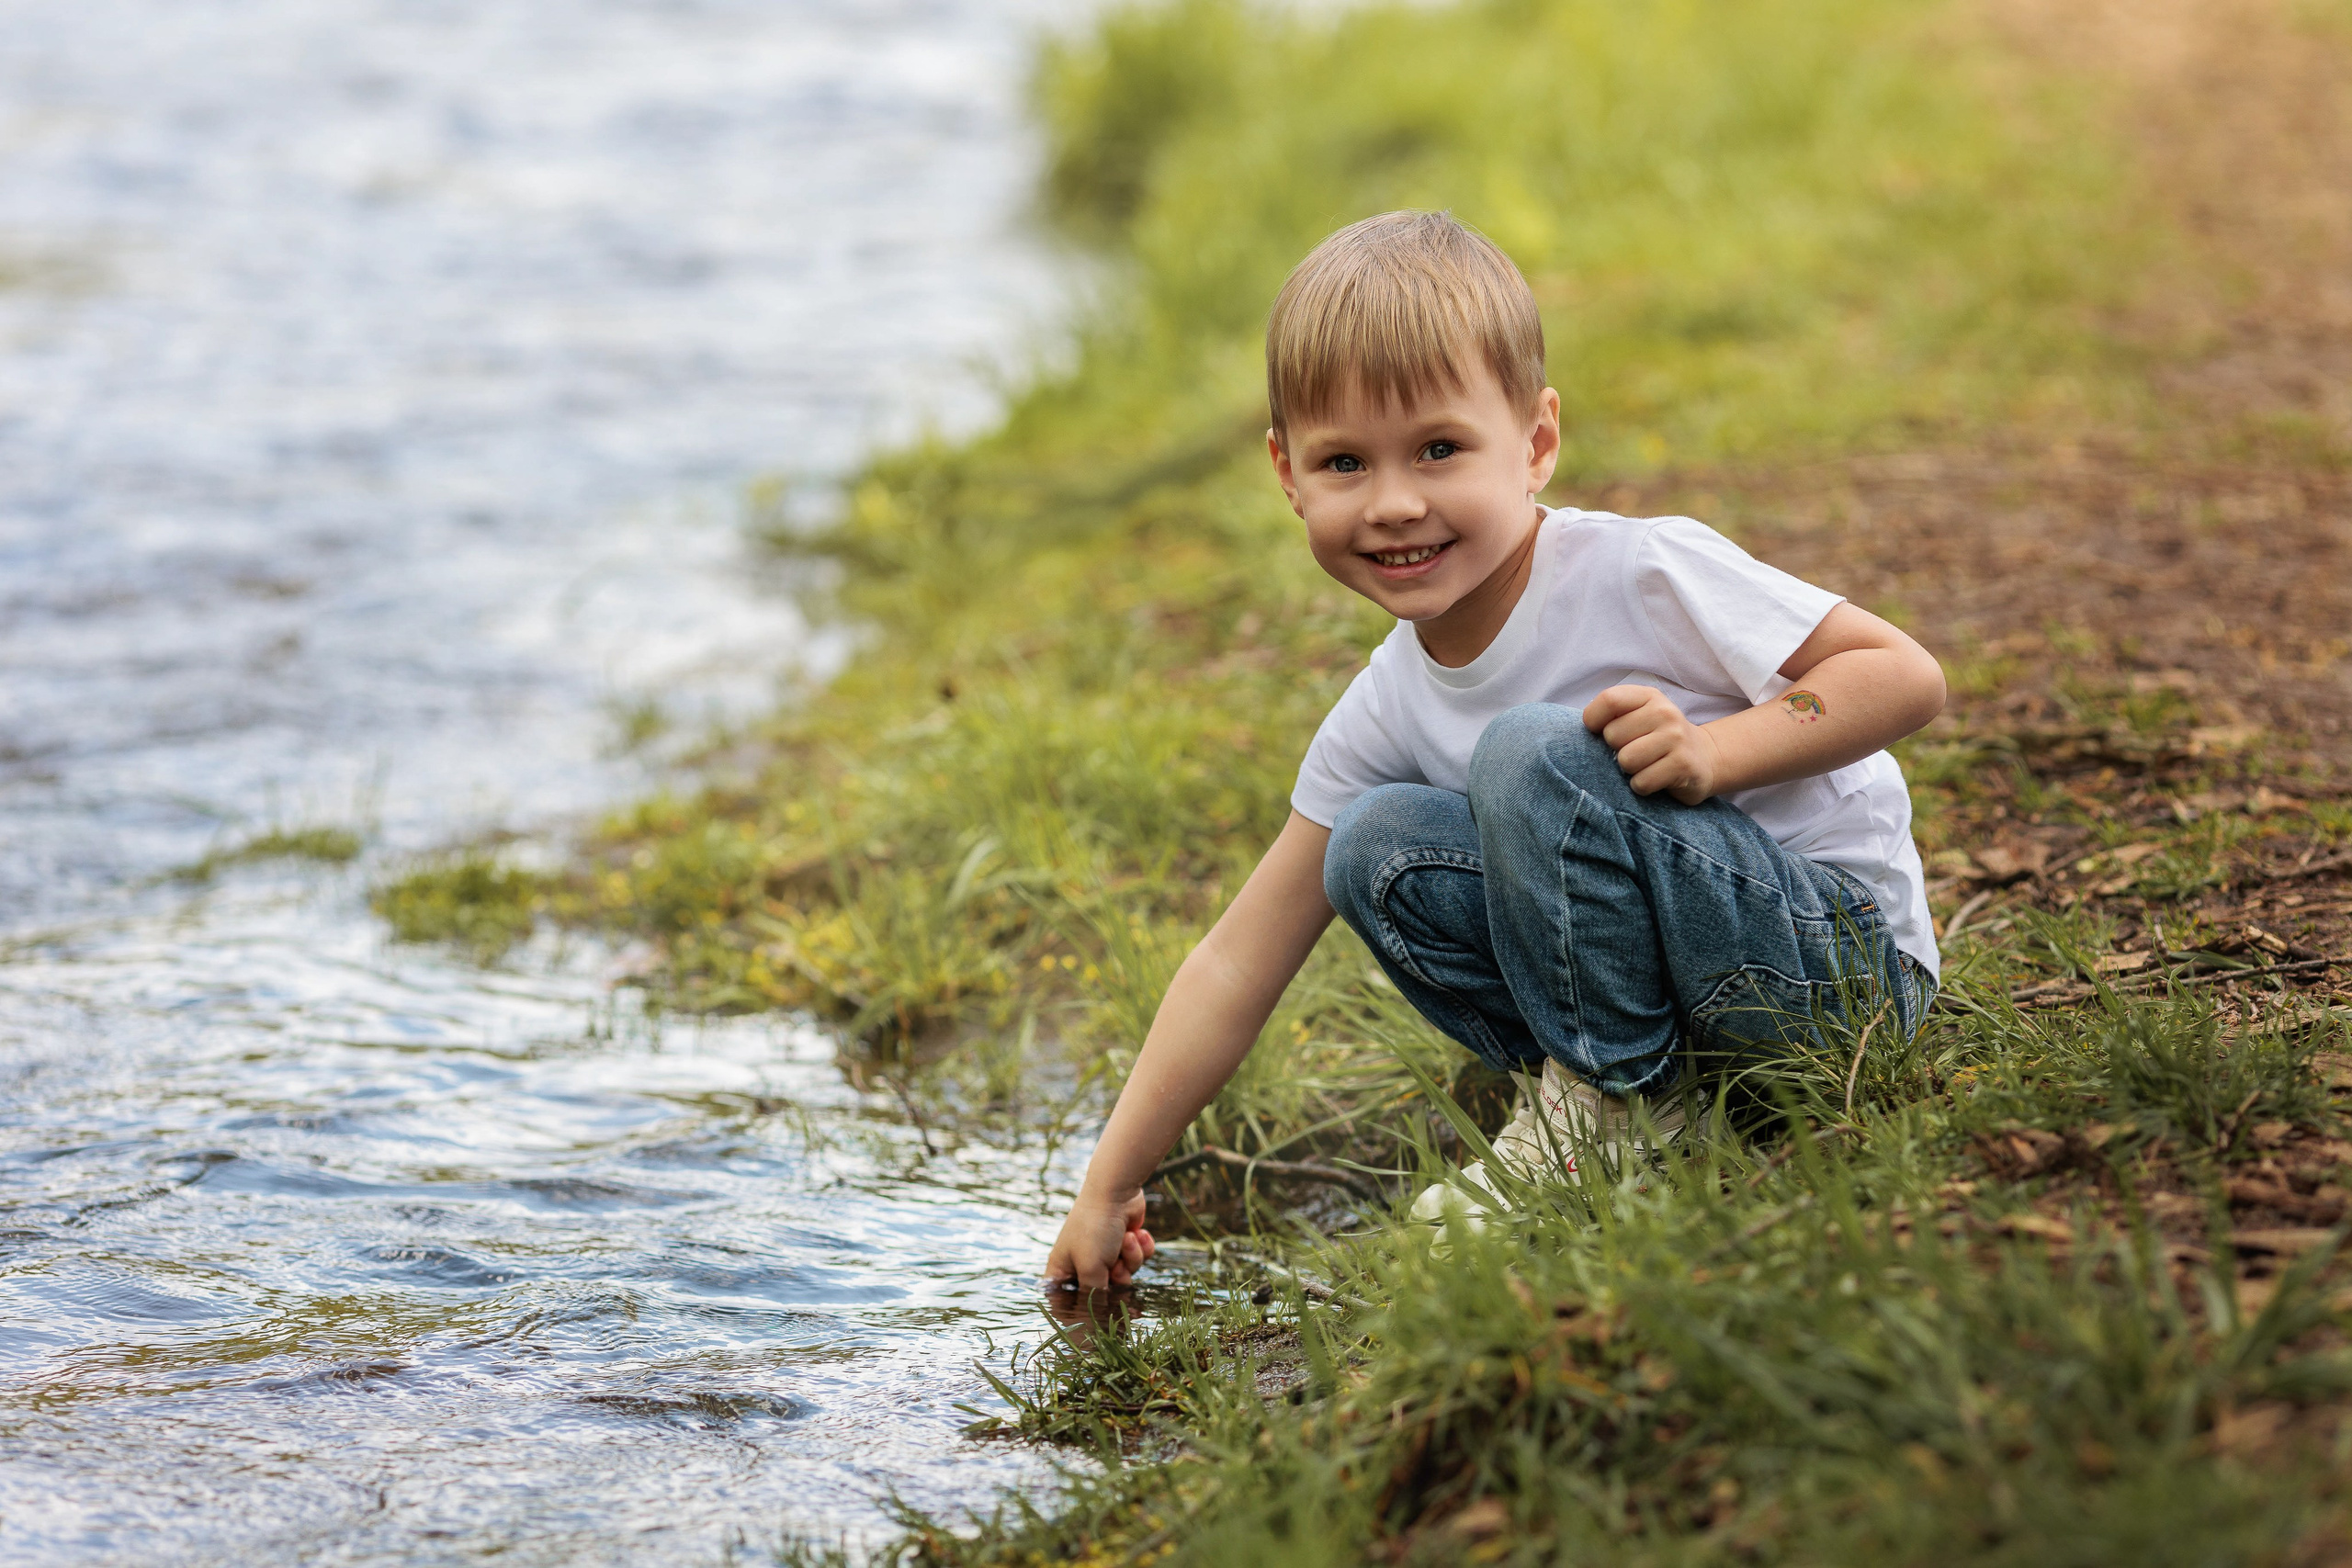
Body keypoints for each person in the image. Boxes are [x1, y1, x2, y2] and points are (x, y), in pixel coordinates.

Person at [1044, 210, 1946, 1292]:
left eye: (1438, 448)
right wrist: (1107, 1184)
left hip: (1832, 983)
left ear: (1536, 442)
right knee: (1373, 845)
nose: (1393, 503)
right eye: (1343, 462)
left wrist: (1720, 752)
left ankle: (1609, 1118)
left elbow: (1901, 675)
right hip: (1693, 1017)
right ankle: (1649, 1106)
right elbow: (1238, 956)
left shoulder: (1639, 574)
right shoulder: (1387, 703)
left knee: (1531, 754)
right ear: (1287, 475)